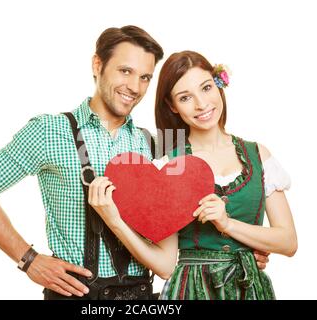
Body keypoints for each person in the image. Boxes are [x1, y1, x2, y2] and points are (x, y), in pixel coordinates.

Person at [0, 25, 164, 300]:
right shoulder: (49, 130)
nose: (135, 87)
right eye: (125, 71)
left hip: (142, 295)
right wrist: (28, 259)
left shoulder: (148, 143)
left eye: (145, 77)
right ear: (97, 64)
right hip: (76, 294)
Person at [88, 51, 297, 299]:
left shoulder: (258, 155)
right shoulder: (169, 164)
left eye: (206, 88)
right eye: (185, 97)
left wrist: (227, 224)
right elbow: (165, 266)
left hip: (249, 289)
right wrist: (114, 221)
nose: (201, 104)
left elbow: (288, 241)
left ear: (219, 86)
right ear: (172, 106)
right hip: (192, 291)